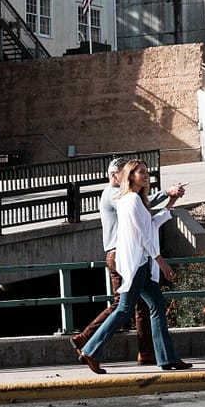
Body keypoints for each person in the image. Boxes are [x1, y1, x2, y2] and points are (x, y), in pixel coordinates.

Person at [74, 159, 190, 374]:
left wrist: (170, 203)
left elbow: (152, 224)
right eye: (141, 172)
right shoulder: (130, 201)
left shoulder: (137, 200)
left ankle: (167, 358)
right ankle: (90, 350)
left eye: (147, 172)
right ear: (130, 176)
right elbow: (143, 236)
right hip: (136, 263)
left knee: (156, 306)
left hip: (143, 263)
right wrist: (161, 262)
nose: (146, 175)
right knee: (124, 309)